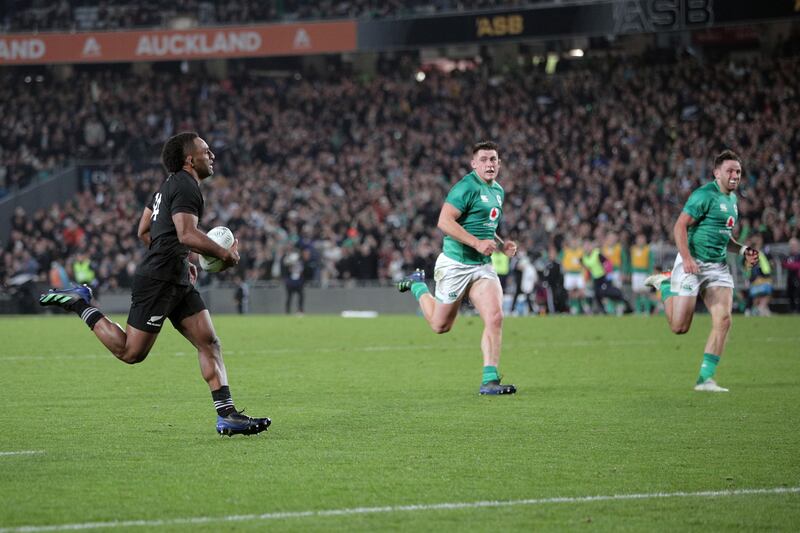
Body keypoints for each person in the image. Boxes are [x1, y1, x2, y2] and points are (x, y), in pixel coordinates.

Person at [39, 132, 270, 436]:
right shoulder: (186, 185)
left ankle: (227, 415)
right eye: (206, 151)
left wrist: (181, 259)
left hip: (175, 278)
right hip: (158, 280)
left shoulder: (166, 187)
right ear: (190, 159)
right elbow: (186, 234)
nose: (212, 155)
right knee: (131, 353)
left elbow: (144, 230)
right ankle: (80, 303)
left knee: (208, 341)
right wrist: (224, 254)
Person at [397, 141, 518, 395]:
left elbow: (485, 227)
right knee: (440, 326)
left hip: (482, 267)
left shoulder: (497, 191)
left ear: (499, 163)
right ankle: (418, 285)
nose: (489, 164)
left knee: (495, 317)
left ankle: (490, 380)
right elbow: (444, 221)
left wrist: (501, 244)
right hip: (456, 264)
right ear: (474, 164)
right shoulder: (465, 187)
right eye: (483, 160)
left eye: (493, 159)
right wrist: (476, 243)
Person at [645, 150, 760, 392]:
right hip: (693, 263)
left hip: (718, 267)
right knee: (679, 327)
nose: (735, 175)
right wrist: (686, 258)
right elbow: (680, 226)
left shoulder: (732, 201)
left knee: (724, 320)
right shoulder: (703, 195)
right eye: (730, 171)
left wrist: (742, 250)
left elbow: (724, 237)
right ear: (717, 173)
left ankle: (705, 379)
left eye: (738, 171)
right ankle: (665, 284)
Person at [581, 239, 633, 315]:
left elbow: (608, 263)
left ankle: (624, 301)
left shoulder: (597, 254)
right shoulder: (584, 258)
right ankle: (603, 310)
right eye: (585, 246)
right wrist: (587, 279)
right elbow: (587, 269)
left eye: (588, 245)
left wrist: (608, 276)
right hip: (595, 278)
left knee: (609, 292)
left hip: (603, 277)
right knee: (597, 294)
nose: (587, 248)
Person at [782, 237, 800, 313]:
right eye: (791, 245)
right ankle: (792, 309)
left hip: (798, 277)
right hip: (790, 277)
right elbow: (783, 264)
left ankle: (797, 309)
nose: (792, 247)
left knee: (797, 294)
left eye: (794, 245)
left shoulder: (798, 256)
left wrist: (790, 265)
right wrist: (790, 265)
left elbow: (797, 265)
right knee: (790, 293)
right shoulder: (788, 256)